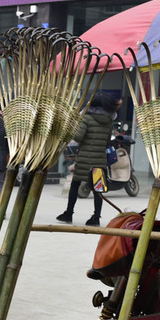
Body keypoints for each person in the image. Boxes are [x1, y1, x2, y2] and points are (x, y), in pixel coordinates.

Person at [58, 92, 118, 226]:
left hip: (84, 159)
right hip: (99, 160)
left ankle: (68, 213)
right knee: (98, 189)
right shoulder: (108, 122)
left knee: (75, 184)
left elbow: (78, 137)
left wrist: (73, 127)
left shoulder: (86, 118)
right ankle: (96, 217)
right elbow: (108, 140)